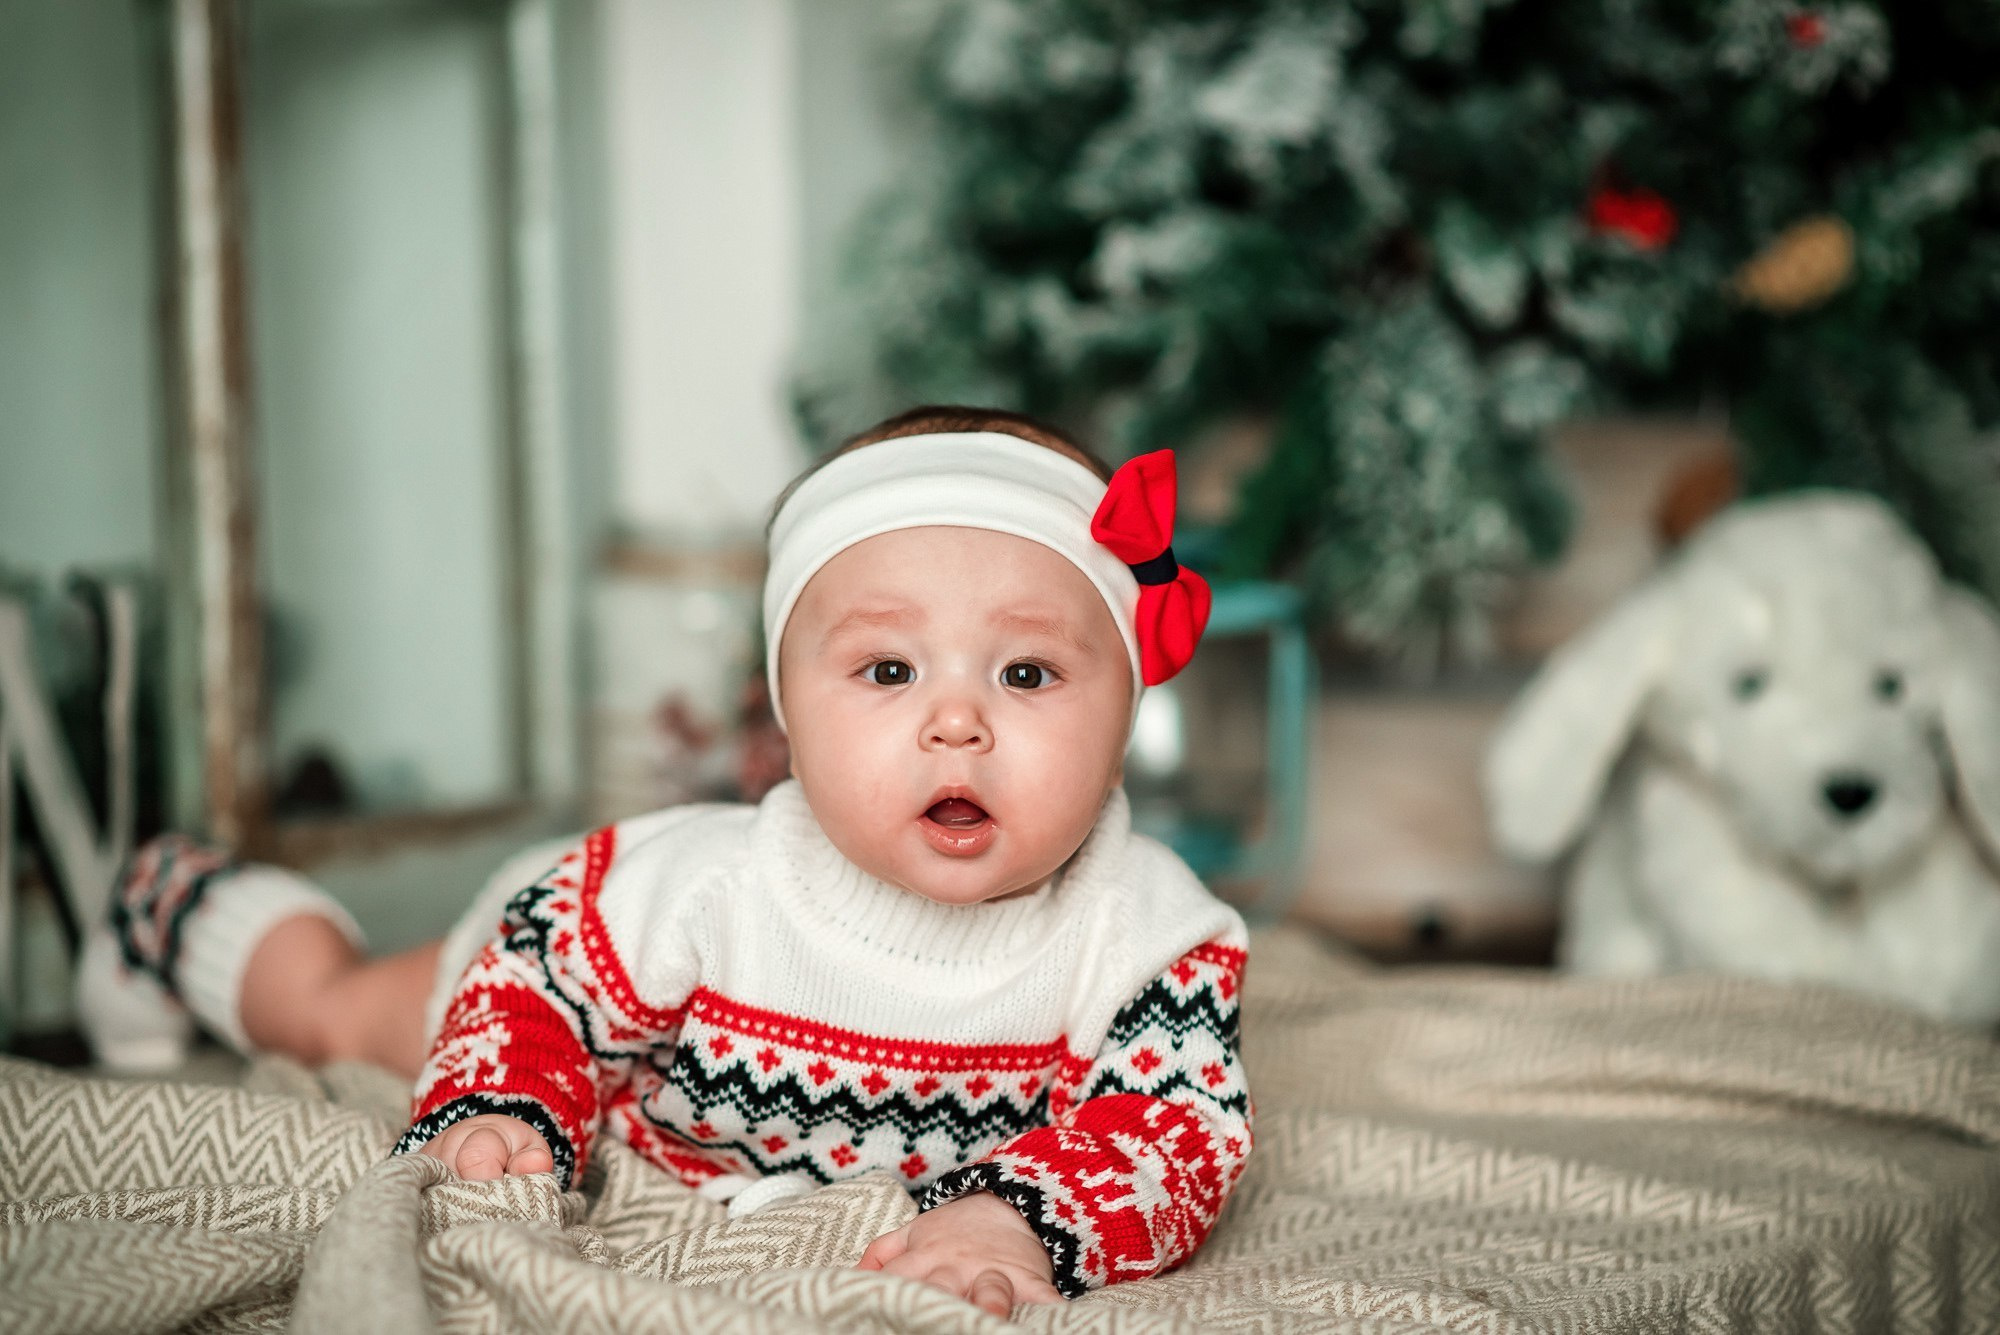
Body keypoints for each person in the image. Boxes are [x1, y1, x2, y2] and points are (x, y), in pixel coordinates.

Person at [87, 406, 1251, 1313]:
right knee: (331, 1009)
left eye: (1026, 674)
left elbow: (1175, 1130)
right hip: (553, 975)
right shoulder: (702, 887)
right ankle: (164, 904)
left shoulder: (1147, 933)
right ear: (787, 715)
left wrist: (1016, 1220)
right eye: (888, 671)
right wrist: (509, 1104)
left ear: (1121, 723)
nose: (957, 724)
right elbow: (539, 980)